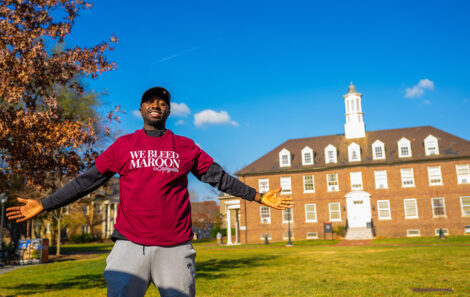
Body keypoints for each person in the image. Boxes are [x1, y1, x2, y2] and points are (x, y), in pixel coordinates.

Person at [7, 86, 293, 297]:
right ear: (141, 109)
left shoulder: (185, 146)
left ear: (168, 110)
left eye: (162, 102)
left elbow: (218, 177)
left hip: (175, 248)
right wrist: (45, 203)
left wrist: (257, 196)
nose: (156, 105)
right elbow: (87, 181)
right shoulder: (123, 146)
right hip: (129, 247)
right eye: (150, 101)